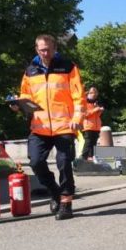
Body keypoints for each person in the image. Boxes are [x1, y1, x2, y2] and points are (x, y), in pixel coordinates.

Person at [18, 34, 85, 220]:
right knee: (36, 162)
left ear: (55, 48)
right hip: (39, 126)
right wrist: (18, 105)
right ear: (36, 49)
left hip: (64, 125)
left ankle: (66, 203)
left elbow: (79, 95)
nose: (45, 52)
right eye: (41, 49)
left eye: (48, 49)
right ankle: (55, 192)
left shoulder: (68, 66)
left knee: (64, 164)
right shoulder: (30, 70)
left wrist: (78, 117)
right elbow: (25, 95)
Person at [80, 86, 104, 161]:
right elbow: (85, 114)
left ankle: (91, 157)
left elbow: (96, 116)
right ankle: (83, 158)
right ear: (88, 93)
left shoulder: (95, 103)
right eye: (93, 94)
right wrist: (96, 109)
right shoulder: (84, 102)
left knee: (94, 143)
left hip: (96, 127)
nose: (94, 96)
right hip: (87, 126)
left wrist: (100, 111)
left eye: (95, 94)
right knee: (88, 142)